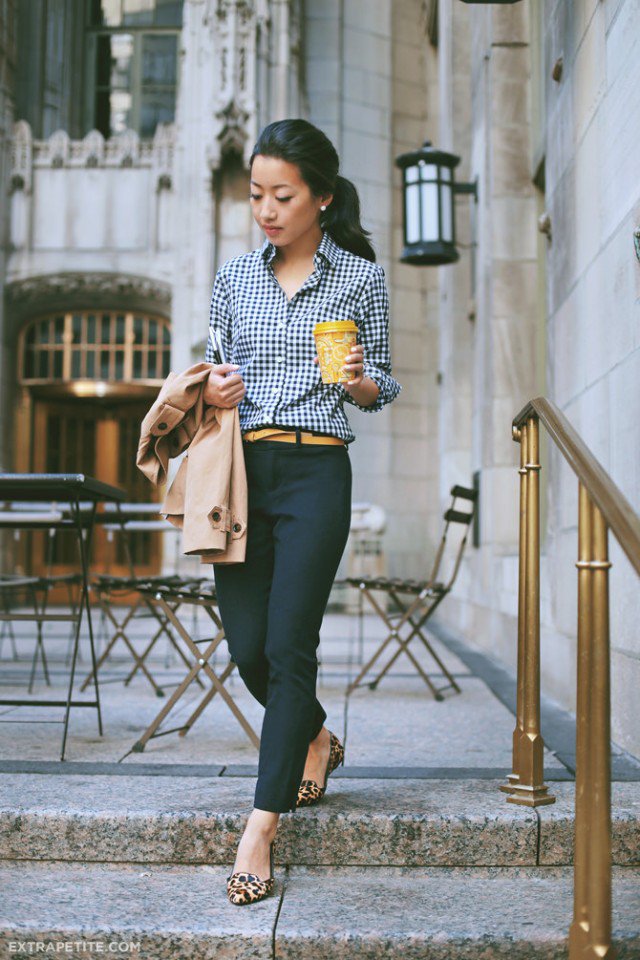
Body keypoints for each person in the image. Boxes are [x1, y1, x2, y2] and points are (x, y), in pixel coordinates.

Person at [203, 118, 401, 905]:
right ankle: (315, 735)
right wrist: (217, 388)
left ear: (320, 196)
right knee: (250, 649)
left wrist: (357, 379)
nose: (266, 209)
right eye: (257, 194)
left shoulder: (358, 278)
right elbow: (214, 371)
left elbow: (383, 384)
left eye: (282, 195)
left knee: (290, 644)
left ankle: (261, 826)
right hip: (245, 475)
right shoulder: (232, 279)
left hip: (318, 468)